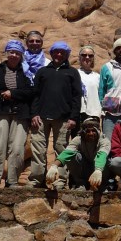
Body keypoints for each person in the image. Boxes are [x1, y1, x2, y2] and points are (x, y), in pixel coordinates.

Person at [29, 41, 82, 189]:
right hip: (41, 117)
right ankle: (37, 180)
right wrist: (34, 114)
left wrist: (73, 117)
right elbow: (35, 95)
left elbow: (76, 96)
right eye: (56, 52)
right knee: (38, 149)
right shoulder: (42, 71)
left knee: (61, 149)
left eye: (62, 52)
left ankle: (60, 181)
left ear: (67, 55)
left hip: (63, 118)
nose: (59, 54)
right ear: (51, 54)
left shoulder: (72, 72)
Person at [0, 40, 36, 188]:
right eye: (12, 52)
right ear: (7, 53)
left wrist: (13, 94)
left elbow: (30, 92)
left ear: (21, 55)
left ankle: (12, 180)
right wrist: (2, 94)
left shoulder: (26, 72)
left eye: (17, 53)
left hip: (20, 114)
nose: (14, 55)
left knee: (17, 148)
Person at [46, 117, 110, 191]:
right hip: (85, 168)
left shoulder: (104, 140)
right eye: (88, 131)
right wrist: (54, 166)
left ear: (98, 131)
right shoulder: (78, 139)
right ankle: (81, 183)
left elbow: (102, 155)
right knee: (72, 157)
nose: (91, 133)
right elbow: (67, 152)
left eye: (93, 131)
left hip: (100, 169)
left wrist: (98, 170)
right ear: (83, 132)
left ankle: (101, 185)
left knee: (108, 161)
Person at [78, 45, 102, 124]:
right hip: (78, 113)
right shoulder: (75, 74)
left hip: (94, 114)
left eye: (90, 55)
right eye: (84, 55)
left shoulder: (98, 77)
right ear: (80, 57)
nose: (87, 57)